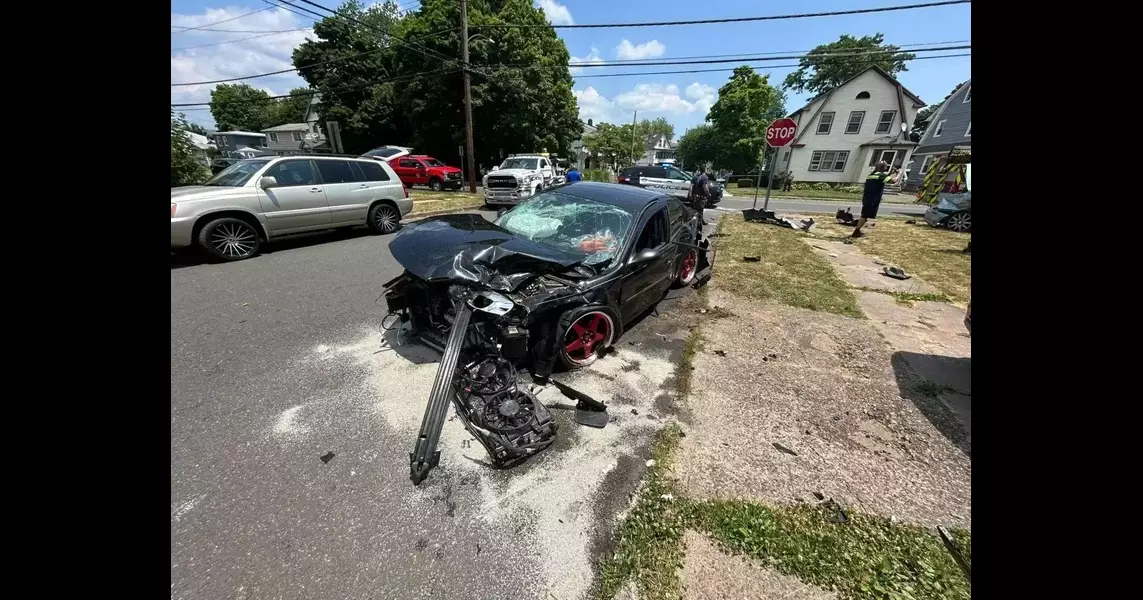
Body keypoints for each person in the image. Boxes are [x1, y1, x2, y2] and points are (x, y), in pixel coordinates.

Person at [851, 162, 901, 238]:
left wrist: (890, 173)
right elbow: (894, 181)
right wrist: (899, 174)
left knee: (865, 215)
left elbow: (882, 178)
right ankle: (856, 231)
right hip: (873, 199)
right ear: (881, 168)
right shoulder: (881, 176)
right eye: (885, 167)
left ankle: (857, 230)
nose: (886, 168)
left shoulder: (871, 175)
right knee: (864, 216)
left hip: (867, 198)